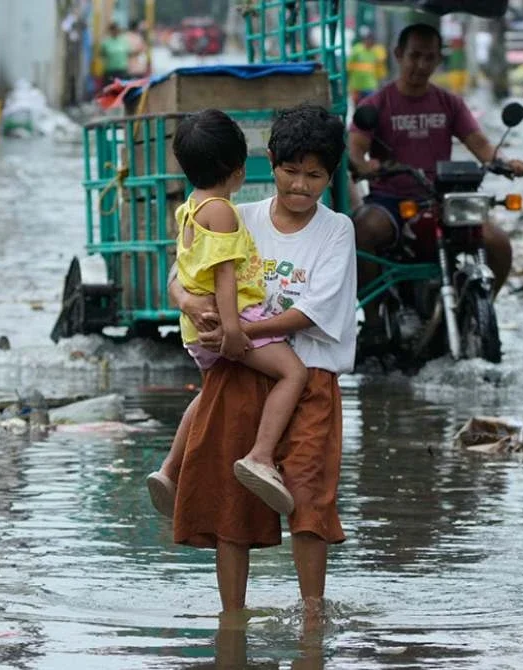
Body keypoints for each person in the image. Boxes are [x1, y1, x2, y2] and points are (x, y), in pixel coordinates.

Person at [164, 104, 356, 616]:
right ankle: (233, 617)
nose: (300, 185)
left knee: (309, 497)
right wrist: (191, 306)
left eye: (314, 176)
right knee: (234, 504)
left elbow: (312, 312)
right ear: (268, 164)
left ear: (331, 176)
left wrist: (240, 331)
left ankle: (312, 612)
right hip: (240, 372)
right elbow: (180, 275)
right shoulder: (236, 214)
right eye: (290, 171)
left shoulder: (337, 231)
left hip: (310, 375)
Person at [146, 109, 309, 517]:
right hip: (230, 321)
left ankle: (169, 469)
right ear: (237, 170)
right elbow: (225, 277)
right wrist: (236, 333)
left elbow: (185, 269)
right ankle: (261, 455)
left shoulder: (189, 208)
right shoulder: (221, 211)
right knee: (294, 373)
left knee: (208, 394)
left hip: (195, 328)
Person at [349, 23, 523, 344]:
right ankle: (374, 319)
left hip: (440, 199)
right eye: (414, 56)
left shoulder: (450, 103)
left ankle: (481, 308)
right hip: (392, 200)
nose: (421, 65)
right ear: (398, 55)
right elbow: (355, 147)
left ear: (438, 60)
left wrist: (505, 163)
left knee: (499, 243)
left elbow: (480, 145)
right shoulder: (376, 105)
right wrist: (366, 165)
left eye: (429, 58)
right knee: (361, 231)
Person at [347, 26, 387, 106]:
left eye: (372, 41)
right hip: (357, 85)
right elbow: (349, 66)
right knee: (358, 106)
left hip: (370, 85)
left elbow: (381, 61)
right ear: (364, 40)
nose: (370, 43)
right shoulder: (357, 50)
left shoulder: (375, 51)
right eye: (368, 40)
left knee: (370, 106)